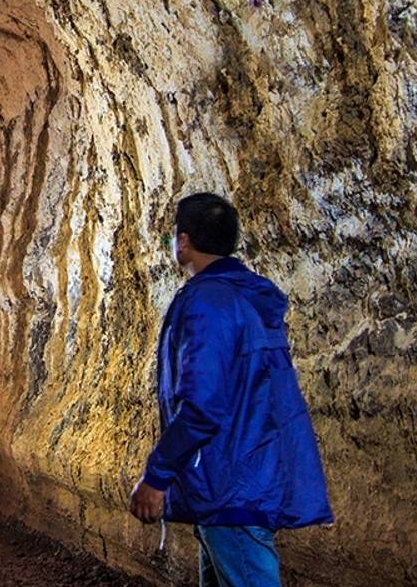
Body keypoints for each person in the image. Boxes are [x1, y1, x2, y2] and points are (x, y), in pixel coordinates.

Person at [129, 193, 333, 586]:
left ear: (183, 241)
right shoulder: (247, 296)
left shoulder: (210, 303)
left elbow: (203, 404)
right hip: (246, 476)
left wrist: (157, 476)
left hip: (230, 485)